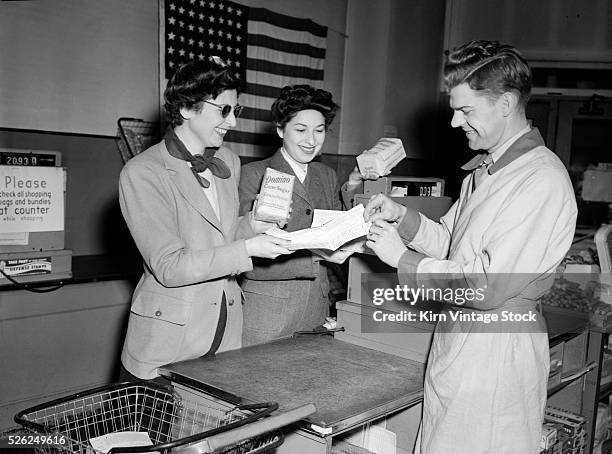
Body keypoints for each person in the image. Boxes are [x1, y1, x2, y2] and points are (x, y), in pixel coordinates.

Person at [364, 40, 577, 453]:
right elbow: (450, 242)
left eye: (466, 110)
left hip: (496, 349)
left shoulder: (540, 180)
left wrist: (402, 259)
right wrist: (401, 216)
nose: (454, 123)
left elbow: (485, 285)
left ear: (505, 104)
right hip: (461, 340)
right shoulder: (484, 172)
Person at [118, 58, 292, 381]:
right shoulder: (143, 173)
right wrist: (249, 249)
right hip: (166, 351)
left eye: (235, 111)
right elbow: (170, 266)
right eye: (223, 110)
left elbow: (221, 239)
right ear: (186, 107)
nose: (233, 123)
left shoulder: (228, 161)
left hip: (223, 337)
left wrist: (253, 224)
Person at [238, 85, 367, 346]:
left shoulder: (326, 175)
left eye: (319, 131)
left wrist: (353, 184)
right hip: (268, 310)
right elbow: (244, 253)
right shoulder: (254, 174)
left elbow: (335, 226)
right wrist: (315, 256)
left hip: (316, 306)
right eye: (300, 130)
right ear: (280, 129)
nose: (311, 140)